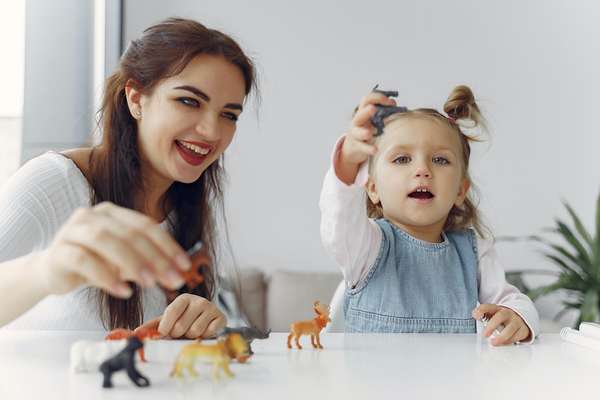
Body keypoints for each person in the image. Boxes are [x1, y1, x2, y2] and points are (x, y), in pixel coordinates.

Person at [0, 18, 257, 339]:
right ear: (136, 99)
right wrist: (45, 270)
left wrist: (198, 319)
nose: (212, 131)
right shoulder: (53, 182)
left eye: (228, 115)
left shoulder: (188, 209)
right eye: (189, 101)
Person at [320, 85, 539, 345]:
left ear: (460, 190)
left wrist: (518, 316)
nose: (422, 169)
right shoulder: (365, 247)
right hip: (374, 385)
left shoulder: (474, 252)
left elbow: (512, 301)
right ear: (373, 188)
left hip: (454, 384)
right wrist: (346, 163)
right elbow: (339, 218)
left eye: (440, 160)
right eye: (402, 159)